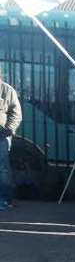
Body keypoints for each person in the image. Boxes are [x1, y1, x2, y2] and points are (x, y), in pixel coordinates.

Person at [0, 72, 22, 211]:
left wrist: (8, 130)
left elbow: (16, 113)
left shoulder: (7, 90)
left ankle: (5, 199)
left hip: (1, 136)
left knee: (2, 169)